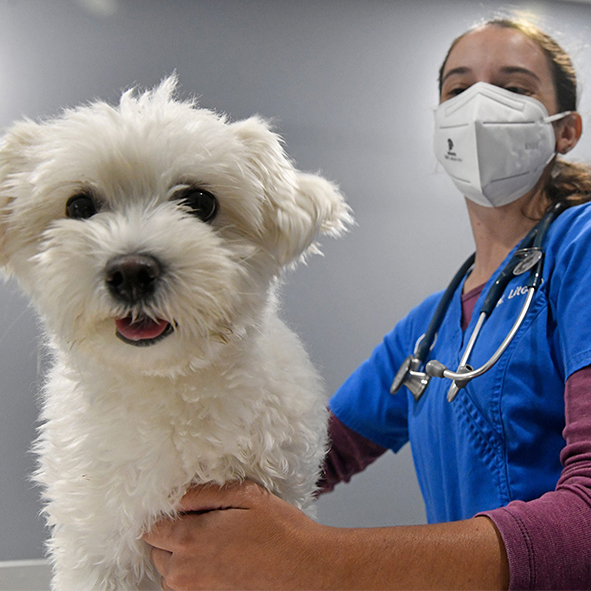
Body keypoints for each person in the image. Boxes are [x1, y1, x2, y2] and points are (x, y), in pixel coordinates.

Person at [143, 17, 591, 590]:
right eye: (458, 89)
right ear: (441, 127)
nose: (480, 107)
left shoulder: (579, 249)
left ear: (566, 130)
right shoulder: (427, 331)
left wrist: (315, 560)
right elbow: (307, 457)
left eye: (513, 87)